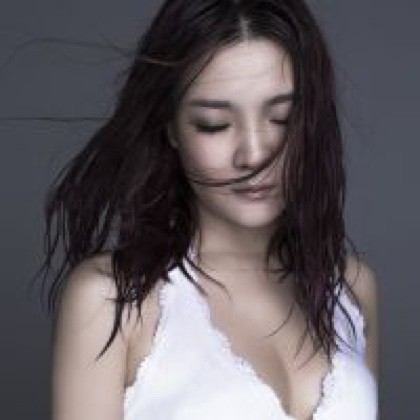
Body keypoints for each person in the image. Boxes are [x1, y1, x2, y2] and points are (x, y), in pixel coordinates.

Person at [40, 0, 379, 419]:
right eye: (214, 125)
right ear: (171, 128)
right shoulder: (112, 301)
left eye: (283, 118)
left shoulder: (352, 291)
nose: (254, 154)